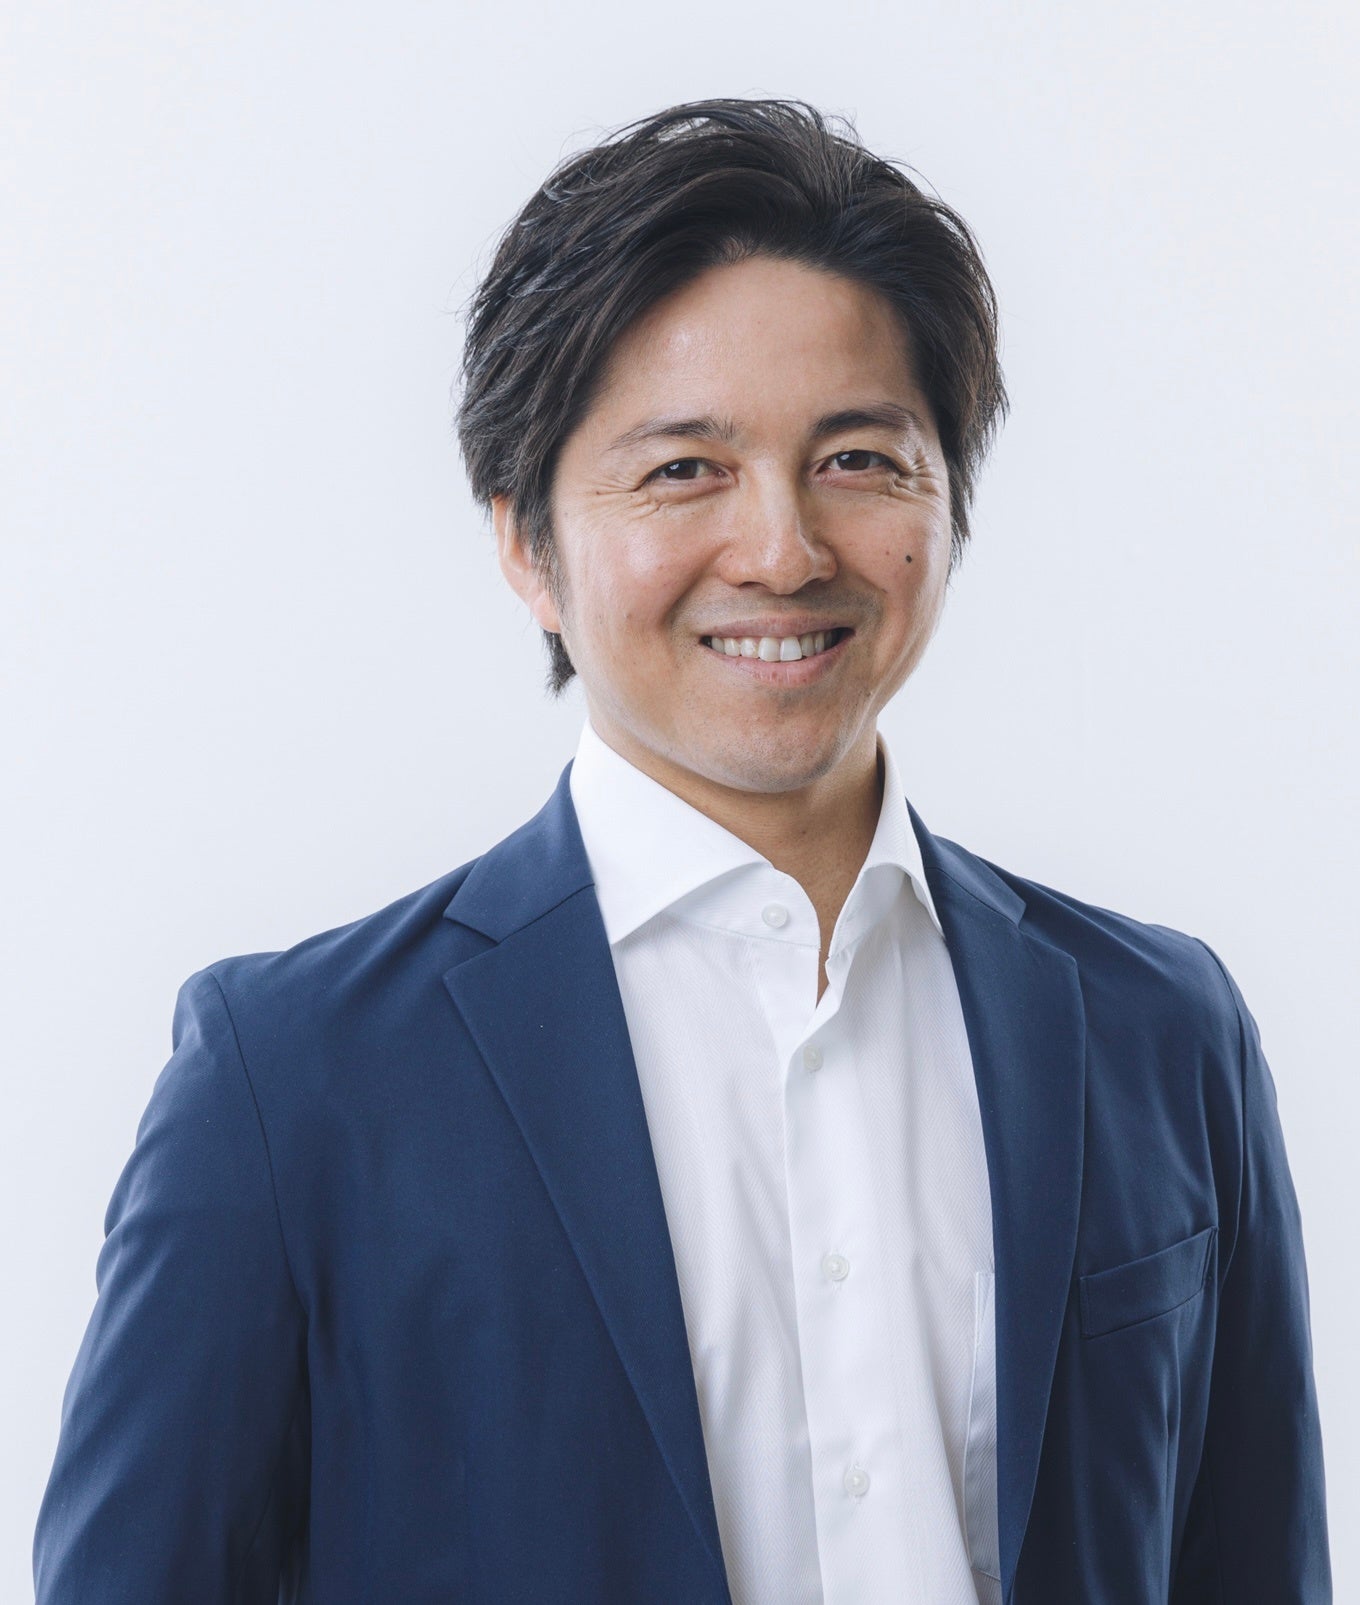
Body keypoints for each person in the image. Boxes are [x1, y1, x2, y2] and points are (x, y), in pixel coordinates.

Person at [33, 98, 1330, 1604]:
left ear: (950, 503)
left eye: (860, 458)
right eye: (683, 471)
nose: (783, 550)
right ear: (526, 544)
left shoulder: (1162, 1033)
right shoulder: (293, 1081)